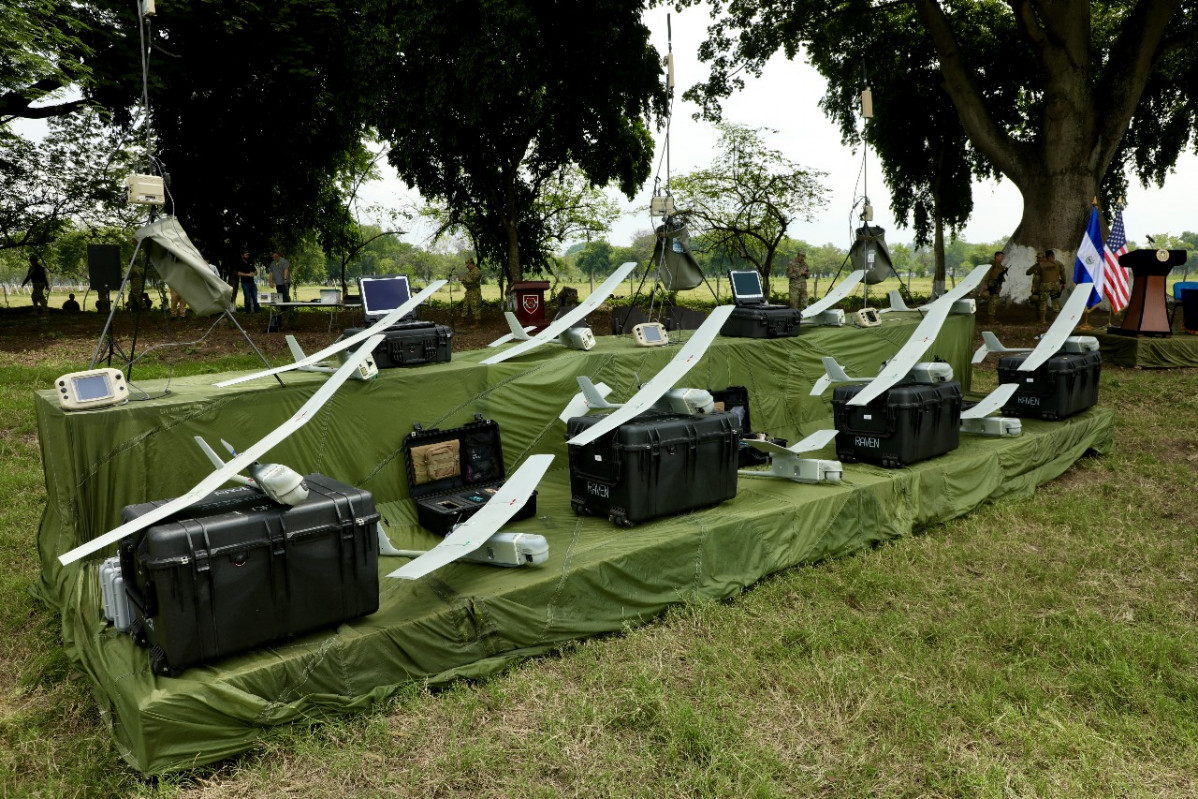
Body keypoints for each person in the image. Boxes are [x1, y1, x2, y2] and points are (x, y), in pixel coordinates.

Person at [1026, 248, 1066, 322]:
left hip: (1044, 286)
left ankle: (1043, 319)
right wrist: (1063, 282)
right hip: (1054, 285)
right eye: (1038, 258)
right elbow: (1063, 274)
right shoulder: (1058, 263)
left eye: (1040, 258)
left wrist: (1035, 286)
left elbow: (1037, 277)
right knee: (1054, 301)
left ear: (1045, 257)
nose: (1039, 259)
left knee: (1043, 302)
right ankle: (1054, 319)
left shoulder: (1041, 266)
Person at [979, 251, 1007, 318]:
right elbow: (987, 273)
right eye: (1001, 257)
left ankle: (991, 317)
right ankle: (991, 317)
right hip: (990, 283)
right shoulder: (992, 263)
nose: (1002, 258)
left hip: (996, 284)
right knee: (992, 299)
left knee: (994, 299)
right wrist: (985, 283)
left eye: (1003, 257)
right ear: (996, 257)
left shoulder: (1001, 266)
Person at [460, 256, 483, 326]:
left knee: (475, 307)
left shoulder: (477, 271)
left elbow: (471, 281)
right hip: (469, 292)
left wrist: (463, 279)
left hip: (475, 292)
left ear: (472, 264)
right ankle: (464, 321)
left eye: (468, 265)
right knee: (465, 306)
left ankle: (477, 322)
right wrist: (464, 280)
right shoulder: (470, 272)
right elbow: (466, 281)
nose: (467, 267)